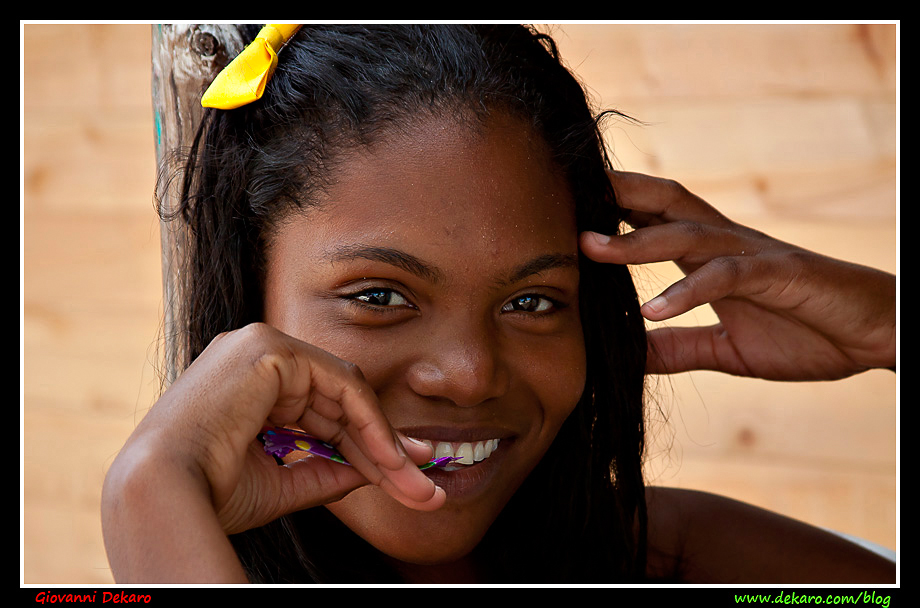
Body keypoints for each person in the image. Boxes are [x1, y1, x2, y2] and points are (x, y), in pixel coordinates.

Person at [100, 24, 896, 584]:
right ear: (249, 297)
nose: (470, 374)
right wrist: (154, 490)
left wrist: (885, 327)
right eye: (379, 295)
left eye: (531, 301)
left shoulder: (666, 556)